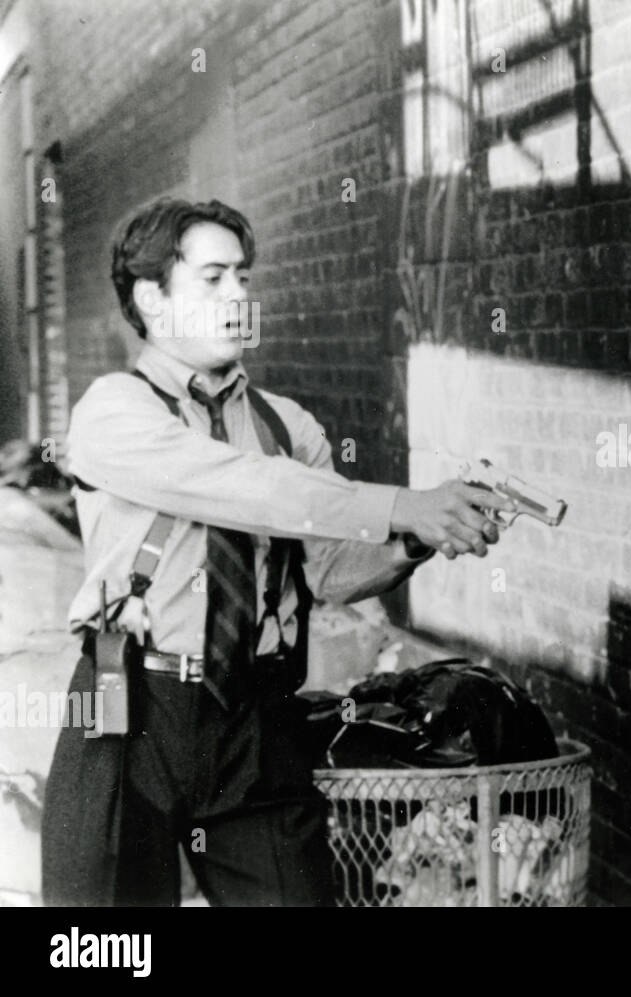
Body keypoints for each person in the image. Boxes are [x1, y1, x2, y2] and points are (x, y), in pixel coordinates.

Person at [41, 197, 513, 906]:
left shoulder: (286, 425)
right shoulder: (114, 411)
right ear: (151, 297)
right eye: (212, 278)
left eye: (243, 276)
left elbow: (327, 570)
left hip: (255, 719)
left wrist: (415, 537)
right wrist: (400, 501)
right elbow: (243, 488)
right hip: (134, 711)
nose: (238, 295)